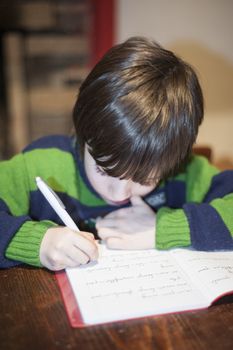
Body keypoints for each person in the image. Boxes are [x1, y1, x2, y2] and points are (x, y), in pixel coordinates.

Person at [1, 37, 233, 271]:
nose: (120, 192)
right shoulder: (41, 165)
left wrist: (167, 227)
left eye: (144, 178)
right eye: (103, 169)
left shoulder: (184, 173)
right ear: (85, 135)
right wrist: (35, 242)